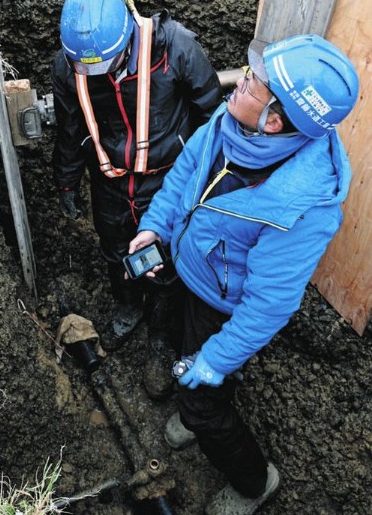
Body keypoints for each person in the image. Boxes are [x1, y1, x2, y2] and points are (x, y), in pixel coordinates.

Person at [128, 34, 359, 515]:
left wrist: (216, 358)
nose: (243, 80)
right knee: (175, 337)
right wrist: (155, 228)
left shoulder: (302, 207)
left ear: (275, 119)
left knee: (202, 401)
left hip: (223, 305)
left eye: (256, 81)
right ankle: (196, 402)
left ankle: (255, 482)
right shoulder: (234, 121)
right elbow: (186, 174)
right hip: (189, 269)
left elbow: (268, 305)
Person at [52, 0, 221, 399]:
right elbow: (69, 128)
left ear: (128, 37)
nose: (102, 76)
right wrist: (67, 181)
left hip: (167, 179)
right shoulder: (68, 65)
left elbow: (212, 115)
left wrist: (208, 183)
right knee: (115, 247)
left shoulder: (175, 47)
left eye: (109, 64)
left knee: (163, 259)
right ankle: (128, 304)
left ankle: (161, 333)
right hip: (110, 180)